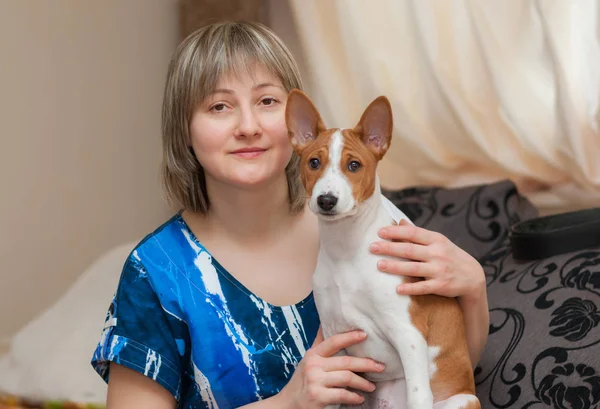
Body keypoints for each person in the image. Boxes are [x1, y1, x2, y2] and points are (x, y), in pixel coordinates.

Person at [91, 21, 489, 409]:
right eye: (218, 105)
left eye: (267, 102)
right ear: (185, 129)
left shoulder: (375, 226)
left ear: (295, 120)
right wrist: (286, 403)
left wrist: (474, 289)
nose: (248, 126)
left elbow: (445, 371)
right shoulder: (156, 273)